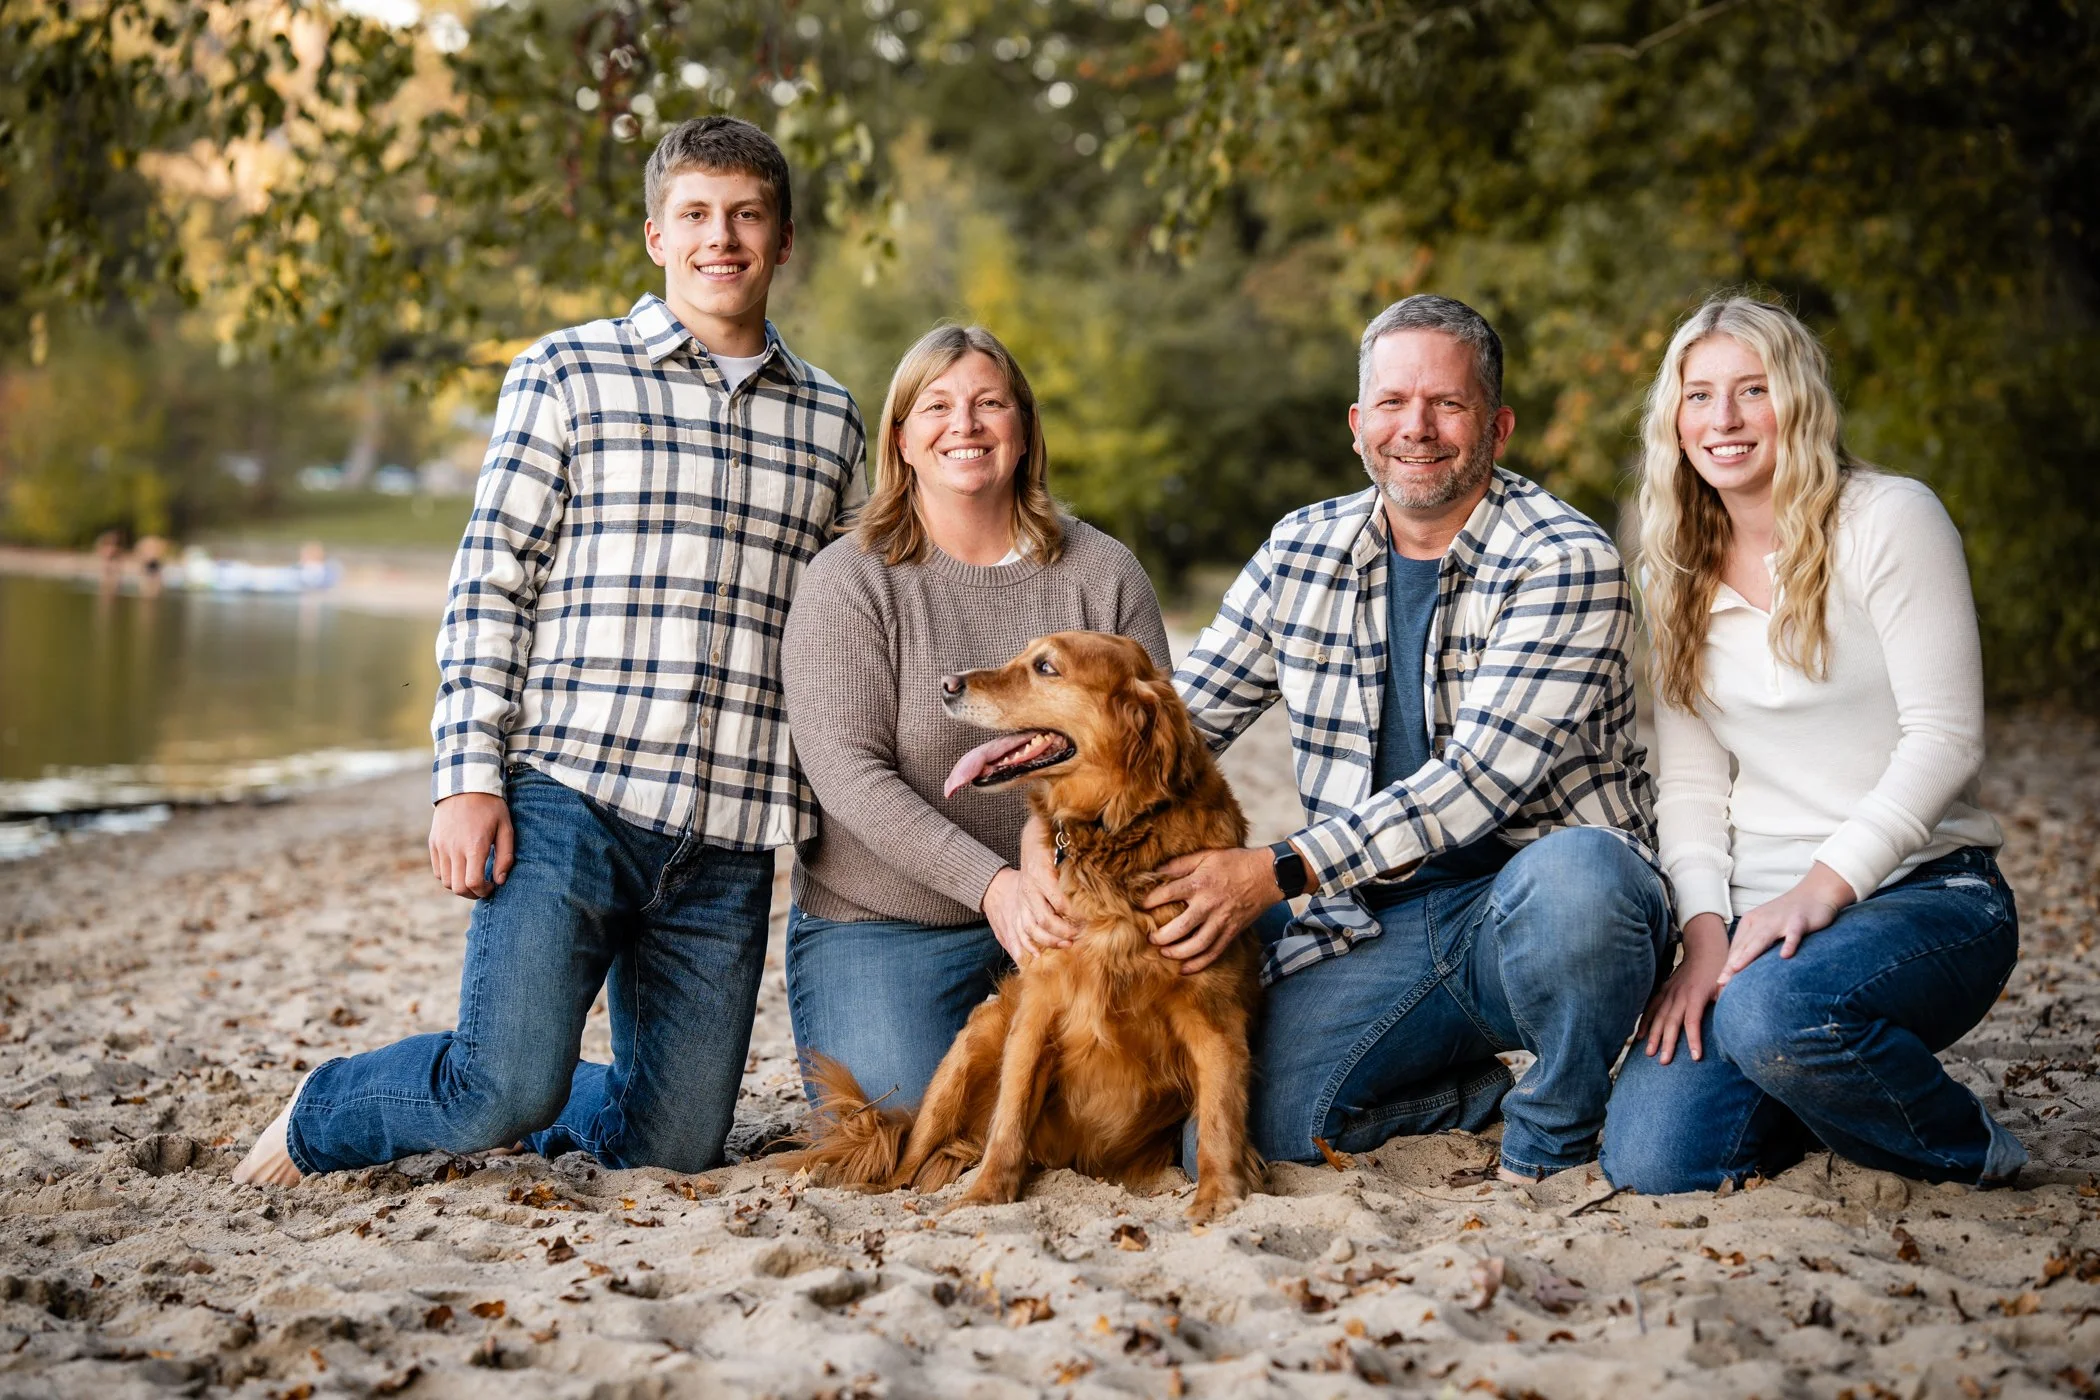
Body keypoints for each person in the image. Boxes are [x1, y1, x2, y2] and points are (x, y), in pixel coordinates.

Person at [233, 117, 867, 1185]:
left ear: (785, 239)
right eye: (699, 214)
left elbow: (852, 623)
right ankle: (322, 1109)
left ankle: (552, 1083)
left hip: (725, 838)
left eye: (748, 215)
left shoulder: (833, 422)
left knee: (672, 1145)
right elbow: (491, 580)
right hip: (571, 794)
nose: (725, 237)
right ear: (656, 234)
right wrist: (465, 779)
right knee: (497, 1092)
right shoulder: (566, 373)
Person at [1120, 294, 1669, 1183]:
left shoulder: (1565, 558)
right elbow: (1183, 724)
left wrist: (1272, 872)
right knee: (1235, 1133)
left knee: (1581, 880)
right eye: (1392, 403)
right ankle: (1472, 1094)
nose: (1417, 428)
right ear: (1356, 424)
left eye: (1447, 405)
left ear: (1497, 425)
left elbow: (1476, 783)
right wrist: (1051, 813)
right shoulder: (1303, 549)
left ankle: (1561, 1121)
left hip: (1535, 915)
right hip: (1373, 925)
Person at [1600, 297, 2023, 1191]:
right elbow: (1689, 784)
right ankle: (1816, 1083)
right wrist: (1705, 933)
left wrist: (1818, 890)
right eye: (1700, 394)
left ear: (1797, 401)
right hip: (1755, 924)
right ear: (1673, 419)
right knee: (1654, 1162)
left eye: (1752, 391)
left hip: (1925, 893)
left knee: (1773, 1013)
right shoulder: (1669, 563)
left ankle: (1968, 1144)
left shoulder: (1889, 519)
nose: (1724, 420)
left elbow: (1946, 740)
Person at [780, 324, 1170, 1110]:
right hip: (890, 924)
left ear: (1023, 433)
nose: (965, 425)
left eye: (990, 404)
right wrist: (993, 887)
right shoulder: (850, 580)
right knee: (902, 1116)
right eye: (937, 407)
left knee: (1160, 1092)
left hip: (1076, 913)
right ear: (902, 440)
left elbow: (1145, 763)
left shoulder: (1102, 575)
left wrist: (1048, 855)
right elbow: (848, 777)